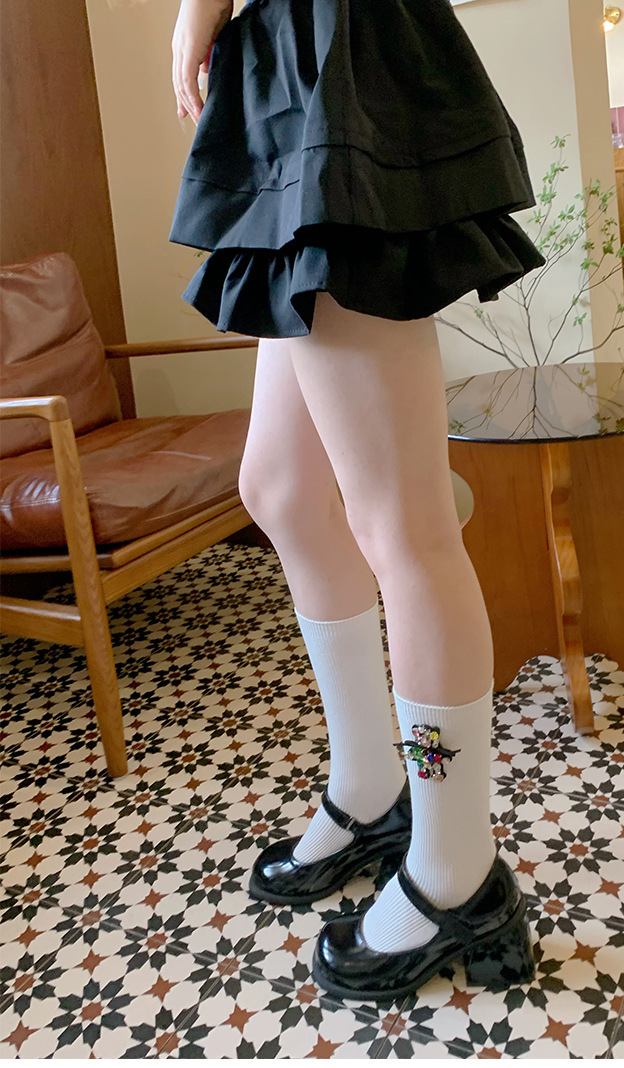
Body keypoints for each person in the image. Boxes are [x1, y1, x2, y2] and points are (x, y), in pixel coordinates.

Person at [170, 0, 544, 1001]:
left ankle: (457, 872)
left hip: (333, 48)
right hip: (286, 57)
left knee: (404, 525)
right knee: (284, 490)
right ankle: (370, 788)